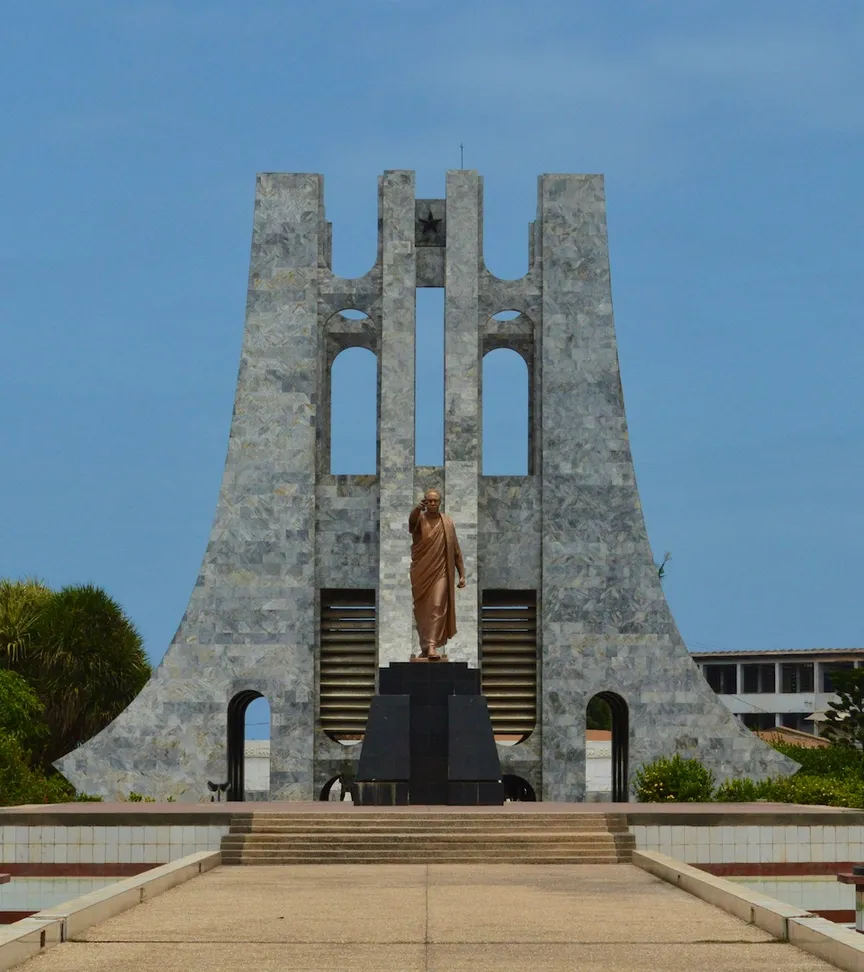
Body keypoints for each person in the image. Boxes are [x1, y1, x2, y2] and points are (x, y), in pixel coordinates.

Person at [408, 489, 466, 659]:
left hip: (441, 572)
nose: (432, 504)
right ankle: (425, 646)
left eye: (435, 501)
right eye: (429, 501)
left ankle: (432, 646)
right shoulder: (420, 519)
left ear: (440, 502)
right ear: (425, 502)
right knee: (422, 612)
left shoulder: (447, 523)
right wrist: (417, 509)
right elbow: (411, 524)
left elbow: (456, 551)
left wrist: (462, 574)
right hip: (421, 573)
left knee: (437, 605)